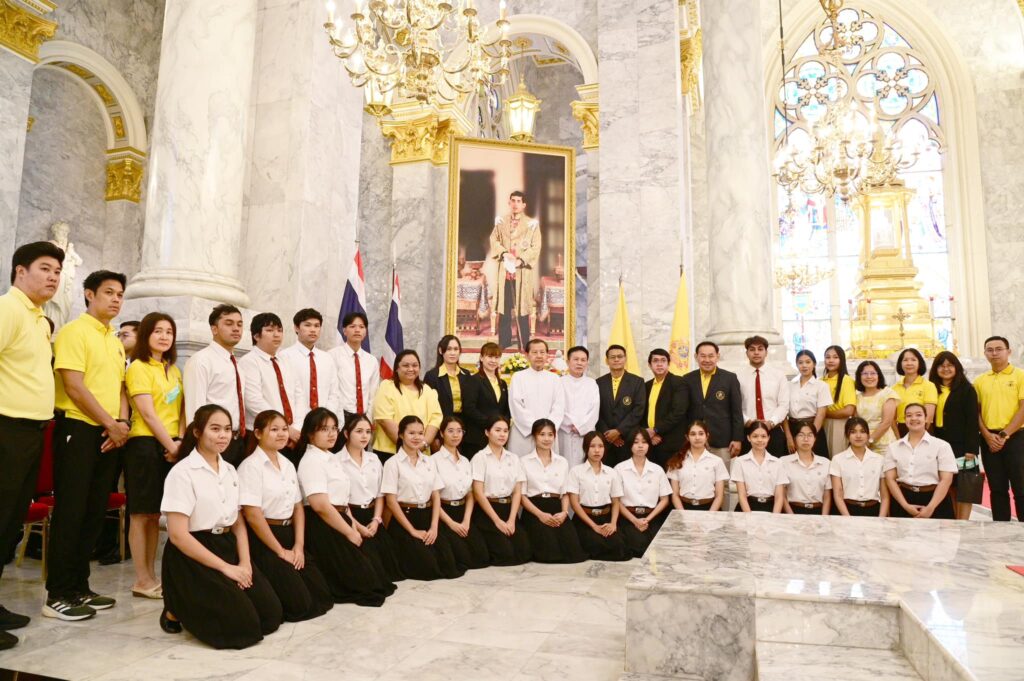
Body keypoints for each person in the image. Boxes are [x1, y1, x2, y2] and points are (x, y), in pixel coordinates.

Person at [159, 404, 282, 648]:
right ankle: (175, 607)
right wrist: (226, 568)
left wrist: (245, 562)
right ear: (198, 432)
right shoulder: (182, 473)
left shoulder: (230, 470)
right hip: (192, 552)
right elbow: (178, 535)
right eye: (215, 429)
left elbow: (237, 522)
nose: (223, 435)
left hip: (226, 545)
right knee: (242, 629)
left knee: (271, 616)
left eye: (227, 429)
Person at [44, 270, 128, 621]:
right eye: (108, 292)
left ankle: (80, 585)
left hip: (109, 434)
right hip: (78, 429)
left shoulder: (115, 338)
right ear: (89, 294)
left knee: (94, 511)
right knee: (71, 512)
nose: (115, 299)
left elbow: (122, 387)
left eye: (120, 294)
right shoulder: (73, 332)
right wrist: (111, 423)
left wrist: (121, 424)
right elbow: (74, 387)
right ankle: (58, 594)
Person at [0, 241, 64, 649]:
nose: (54, 276)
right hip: (7, 428)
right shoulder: (8, 309)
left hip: (31, 432)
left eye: (57, 270)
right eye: (45, 268)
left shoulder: (40, 319)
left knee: (9, 525)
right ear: (20, 271)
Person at [239, 410, 333, 622]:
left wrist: (298, 546)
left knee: (322, 596)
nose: (282, 434)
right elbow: (253, 515)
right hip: (265, 538)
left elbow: (298, 507)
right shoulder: (250, 467)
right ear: (258, 433)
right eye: (274, 430)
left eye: (284, 429)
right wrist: (280, 551)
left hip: (289, 533)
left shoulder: (288, 464)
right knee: (300, 606)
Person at [296, 408, 397, 603]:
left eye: (334, 428)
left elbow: (343, 501)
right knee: (367, 587)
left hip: (341, 517)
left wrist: (355, 526)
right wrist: (349, 532)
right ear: (310, 433)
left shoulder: (329, 457)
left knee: (379, 580)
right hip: (323, 524)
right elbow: (321, 506)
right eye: (324, 429)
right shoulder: (311, 461)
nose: (332, 433)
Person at [124, 312, 185, 599]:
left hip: (171, 444)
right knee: (141, 513)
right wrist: (171, 447)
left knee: (155, 514)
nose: (164, 336)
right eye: (158, 331)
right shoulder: (138, 367)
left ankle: (150, 575)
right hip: (145, 444)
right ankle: (142, 578)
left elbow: (183, 409)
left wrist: (181, 442)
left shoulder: (173, 369)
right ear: (146, 334)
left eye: (169, 332)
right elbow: (147, 413)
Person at [381, 415, 463, 580]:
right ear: (401, 435)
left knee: (449, 565)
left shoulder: (429, 461)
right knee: (427, 568)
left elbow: (435, 495)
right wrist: (412, 531)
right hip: (405, 518)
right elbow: (390, 501)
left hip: (427, 515)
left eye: (420, 433)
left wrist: (434, 527)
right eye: (411, 433)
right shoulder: (392, 463)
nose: (417, 437)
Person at [337, 413, 404, 581]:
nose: (364, 436)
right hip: (350, 517)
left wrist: (376, 520)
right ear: (346, 434)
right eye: (359, 431)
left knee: (392, 568)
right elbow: (340, 502)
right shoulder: (336, 461)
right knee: (369, 571)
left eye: (368, 431)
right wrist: (358, 526)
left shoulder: (374, 459)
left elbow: (380, 494)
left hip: (373, 516)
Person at [183, 305, 248, 465]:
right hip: (211, 442)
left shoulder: (236, 364)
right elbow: (194, 409)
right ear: (214, 329)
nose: (236, 328)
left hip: (237, 440)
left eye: (239, 324)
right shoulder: (201, 361)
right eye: (229, 323)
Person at [519, 419, 586, 564]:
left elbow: (565, 493)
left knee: (573, 552)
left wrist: (564, 513)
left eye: (550, 434)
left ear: (555, 436)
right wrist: (540, 515)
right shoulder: (524, 461)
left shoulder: (562, 462)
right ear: (534, 437)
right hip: (534, 509)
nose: (546, 438)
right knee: (548, 551)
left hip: (557, 508)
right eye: (542, 434)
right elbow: (522, 496)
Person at [974, 336, 1024, 522]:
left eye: (998, 349)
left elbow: (1023, 408)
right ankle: (1000, 529)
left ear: (1008, 351)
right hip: (989, 439)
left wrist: (1004, 434)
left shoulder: (1020, 375)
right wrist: (987, 435)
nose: (994, 353)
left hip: (1016, 437)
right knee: (997, 488)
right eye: (990, 349)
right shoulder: (980, 381)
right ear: (985, 353)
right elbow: (976, 413)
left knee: (1021, 487)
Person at [471, 415, 532, 565]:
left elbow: (517, 491)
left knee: (524, 553)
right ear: (487, 432)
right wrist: (497, 521)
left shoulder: (513, 458)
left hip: (508, 510)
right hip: (488, 511)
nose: (502, 434)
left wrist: (512, 520)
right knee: (505, 555)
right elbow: (478, 492)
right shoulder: (480, 458)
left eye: (505, 431)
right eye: (497, 430)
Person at [239, 313, 300, 461]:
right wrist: (285, 429)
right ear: (256, 335)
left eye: (279, 330)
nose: (276, 334)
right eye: (270, 330)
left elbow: (299, 396)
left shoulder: (285, 361)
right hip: (264, 434)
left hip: (292, 435)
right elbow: (253, 401)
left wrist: (296, 428)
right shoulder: (249, 362)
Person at [433, 416, 490, 570]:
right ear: (442, 433)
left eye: (459, 431)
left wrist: (466, 520)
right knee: (462, 560)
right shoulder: (433, 461)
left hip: (463, 512)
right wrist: (451, 523)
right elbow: (433, 498)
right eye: (450, 431)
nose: (455, 435)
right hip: (443, 514)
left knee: (482, 558)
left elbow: (470, 494)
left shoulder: (465, 461)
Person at [929, 351, 980, 520]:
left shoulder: (967, 390)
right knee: (945, 484)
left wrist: (971, 449)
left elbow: (972, 421)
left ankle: (963, 522)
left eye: (950, 365)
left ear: (957, 367)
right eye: (941, 366)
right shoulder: (932, 389)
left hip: (961, 445)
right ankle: (952, 520)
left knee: (963, 487)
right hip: (939, 444)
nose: (946, 369)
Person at [884, 403, 956, 519]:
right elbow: (890, 479)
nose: (913, 418)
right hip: (903, 498)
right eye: (909, 415)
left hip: (935, 499)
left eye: (918, 415)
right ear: (904, 419)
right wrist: (905, 506)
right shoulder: (893, 447)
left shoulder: (941, 446)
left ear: (926, 418)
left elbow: (946, 480)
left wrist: (930, 508)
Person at [489, 190, 540, 351]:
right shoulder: (501, 221)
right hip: (505, 271)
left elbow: (535, 246)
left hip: (521, 272)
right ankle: (504, 341)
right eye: (513, 200)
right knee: (504, 309)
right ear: (509, 203)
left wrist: (520, 260)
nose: (515, 204)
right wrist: (504, 253)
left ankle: (523, 342)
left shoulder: (532, 224)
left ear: (524, 204)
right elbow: (493, 239)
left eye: (519, 201)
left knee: (522, 309)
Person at [566, 432, 630, 561]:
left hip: (605, 517)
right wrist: (594, 526)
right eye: (592, 446)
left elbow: (616, 501)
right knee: (594, 544)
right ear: (585, 448)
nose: (597, 450)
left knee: (619, 548)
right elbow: (574, 503)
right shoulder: (576, 471)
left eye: (600, 446)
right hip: (584, 519)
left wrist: (613, 524)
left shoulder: (611, 472)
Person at [371, 349, 442, 462]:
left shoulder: (427, 390)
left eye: (415, 365)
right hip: (391, 453)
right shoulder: (387, 387)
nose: (411, 369)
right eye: (405, 365)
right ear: (396, 368)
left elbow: (435, 420)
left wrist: (423, 444)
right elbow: (384, 420)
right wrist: (407, 447)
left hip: (421, 453)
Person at [682, 341, 743, 469]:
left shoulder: (729, 378)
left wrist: (737, 438)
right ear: (696, 357)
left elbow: (736, 411)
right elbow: (683, 411)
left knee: (723, 481)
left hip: (722, 441)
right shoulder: (687, 379)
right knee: (698, 479)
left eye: (711, 356)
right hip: (695, 440)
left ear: (717, 357)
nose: (707, 360)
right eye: (703, 356)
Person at [613, 429, 671, 557]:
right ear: (630, 445)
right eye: (636, 442)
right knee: (636, 547)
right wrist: (635, 520)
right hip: (628, 518)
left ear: (649, 445)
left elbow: (665, 499)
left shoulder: (657, 470)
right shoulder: (619, 469)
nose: (640, 446)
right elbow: (616, 501)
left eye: (644, 442)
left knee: (659, 549)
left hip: (651, 517)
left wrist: (647, 520)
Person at [279, 309, 339, 431]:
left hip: (324, 425)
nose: (313, 330)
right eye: (307, 325)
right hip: (296, 426)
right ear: (296, 328)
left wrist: (326, 420)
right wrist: (296, 426)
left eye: (317, 326)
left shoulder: (327, 358)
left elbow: (334, 393)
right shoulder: (284, 357)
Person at [509, 338, 565, 455]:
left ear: (547, 355)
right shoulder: (518, 377)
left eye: (542, 352)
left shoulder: (554, 378)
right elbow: (516, 405)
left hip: (548, 436)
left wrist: (547, 431)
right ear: (527, 355)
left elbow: (559, 407)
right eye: (534, 352)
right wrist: (536, 430)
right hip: (523, 433)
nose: (539, 356)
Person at [736, 336, 789, 457]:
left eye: (760, 349)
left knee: (775, 469)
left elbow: (784, 404)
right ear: (747, 353)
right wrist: (747, 421)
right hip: (747, 432)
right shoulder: (737, 377)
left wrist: (771, 422)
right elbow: (735, 405)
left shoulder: (779, 375)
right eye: (752, 349)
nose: (756, 352)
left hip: (773, 431)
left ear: (766, 352)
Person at [596, 345, 647, 467]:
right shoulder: (598, 382)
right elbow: (596, 411)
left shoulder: (637, 382)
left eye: (620, 356)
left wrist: (619, 431)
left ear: (625, 359)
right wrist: (608, 435)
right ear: (607, 360)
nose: (616, 360)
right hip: (605, 440)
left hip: (627, 439)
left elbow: (638, 410)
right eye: (612, 357)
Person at [830, 417, 889, 517]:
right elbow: (838, 494)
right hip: (847, 510)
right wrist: (848, 518)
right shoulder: (838, 459)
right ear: (847, 435)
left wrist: (881, 518)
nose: (858, 436)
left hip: (873, 510)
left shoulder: (879, 460)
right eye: (853, 432)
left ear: (868, 435)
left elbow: (885, 495)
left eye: (862, 431)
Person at [328, 311, 380, 423]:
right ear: (344, 331)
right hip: (340, 416)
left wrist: (368, 420)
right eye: (352, 326)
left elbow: (373, 394)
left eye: (361, 327)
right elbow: (331, 391)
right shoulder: (332, 356)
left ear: (365, 332)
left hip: (364, 417)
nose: (357, 330)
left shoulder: (372, 361)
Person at [667, 421, 729, 512]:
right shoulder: (677, 460)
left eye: (701, 434)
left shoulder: (717, 461)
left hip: (710, 509)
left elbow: (719, 496)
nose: (697, 437)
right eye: (693, 434)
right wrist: (683, 515)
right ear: (687, 437)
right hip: (683, 508)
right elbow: (675, 495)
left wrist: (709, 515)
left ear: (707, 436)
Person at [461, 341, 509, 458]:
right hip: (477, 438)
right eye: (490, 356)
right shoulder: (474, 380)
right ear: (481, 358)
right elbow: (469, 408)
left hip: (497, 439)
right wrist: (490, 424)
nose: (493, 361)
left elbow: (505, 409)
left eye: (496, 357)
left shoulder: (502, 383)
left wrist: (503, 427)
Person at [643, 349, 689, 468]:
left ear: (668, 364)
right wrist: (649, 434)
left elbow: (678, 412)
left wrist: (656, 430)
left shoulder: (678, 382)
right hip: (650, 443)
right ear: (649, 365)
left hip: (671, 443)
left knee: (671, 482)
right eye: (655, 361)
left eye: (663, 361)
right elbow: (641, 412)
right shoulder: (646, 386)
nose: (659, 364)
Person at [731, 421, 788, 513]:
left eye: (763, 436)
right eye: (755, 436)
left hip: (772, 507)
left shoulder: (778, 463)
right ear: (748, 438)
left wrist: (775, 518)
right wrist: (749, 517)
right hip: (747, 507)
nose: (759, 440)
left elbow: (779, 496)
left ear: (769, 438)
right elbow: (742, 495)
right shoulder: (740, 462)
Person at [558, 345, 600, 468]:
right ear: (568, 361)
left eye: (583, 360)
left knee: (584, 467)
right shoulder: (559, 382)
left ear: (587, 362)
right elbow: (557, 407)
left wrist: (580, 426)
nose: (579, 363)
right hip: (564, 432)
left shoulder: (592, 384)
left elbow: (594, 410)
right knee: (563, 465)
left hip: (584, 434)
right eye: (576, 359)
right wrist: (569, 424)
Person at [785, 349, 832, 458]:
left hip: (814, 428)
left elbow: (821, 414)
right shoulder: (789, 385)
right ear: (796, 365)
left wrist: (811, 435)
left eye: (808, 362)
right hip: (793, 429)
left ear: (814, 364)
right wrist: (788, 437)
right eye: (800, 362)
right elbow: (783, 412)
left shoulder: (821, 386)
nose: (804, 365)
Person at [780, 420, 832, 515]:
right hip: (793, 511)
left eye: (810, 435)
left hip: (818, 512)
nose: (806, 439)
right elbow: (781, 494)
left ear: (815, 438)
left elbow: (827, 495)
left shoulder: (826, 463)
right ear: (794, 438)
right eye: (801, 435)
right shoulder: (783, 462)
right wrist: (791, 516)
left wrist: (824, 517)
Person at [424, 335, 475, 428]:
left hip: (464, 427)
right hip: (441, 425)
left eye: (456, 349)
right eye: (449, 349)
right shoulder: (432, 376)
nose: (453, 353)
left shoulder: (466, 374)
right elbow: (428, 408)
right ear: (441, 351)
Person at [854, 361, 899, 455]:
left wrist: (869, 441)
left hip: (884, 444)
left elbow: (887, 422)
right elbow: (856, 421)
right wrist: (861, 442)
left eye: (873, 373)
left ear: (879, 376)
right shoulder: (857, 396)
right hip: (862, 442)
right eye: (865, 373)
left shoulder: (887, 393)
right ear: (859, 376)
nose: (869, 377)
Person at [893, 348, 937, 436]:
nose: (909, 363)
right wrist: (898, 437)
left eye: (913, 360)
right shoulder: (894, 388)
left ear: (919, 363)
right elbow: (892, 419)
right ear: (900, 364)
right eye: (905, 360)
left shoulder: (928, 385)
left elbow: (928, 417)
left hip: (923, 430)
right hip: (901, 430)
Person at [822, 346, 857, 457]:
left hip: (839, 425)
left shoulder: (846, 380)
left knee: (837, 458)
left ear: (841, 360)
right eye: (828, 357)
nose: (831, 360)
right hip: (821, 424)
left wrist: (824, 413)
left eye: (835, 357)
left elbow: (848, 411)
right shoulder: (820, 381)